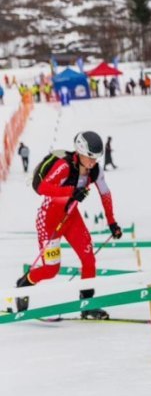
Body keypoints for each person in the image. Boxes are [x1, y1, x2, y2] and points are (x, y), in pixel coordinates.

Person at [13, 131, 124, 319]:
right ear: (80, 152)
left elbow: (105, 194)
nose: (93, 163)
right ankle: (25, 283)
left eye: (96, 158)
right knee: (51, 270)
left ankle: (86, 305)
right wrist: (72, 191)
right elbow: (42, 188)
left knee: (89, 260)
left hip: (72, 218)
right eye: (90, 158)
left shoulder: (95, 170)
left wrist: (112, 222)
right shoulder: (64, 166)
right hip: (49, 221)